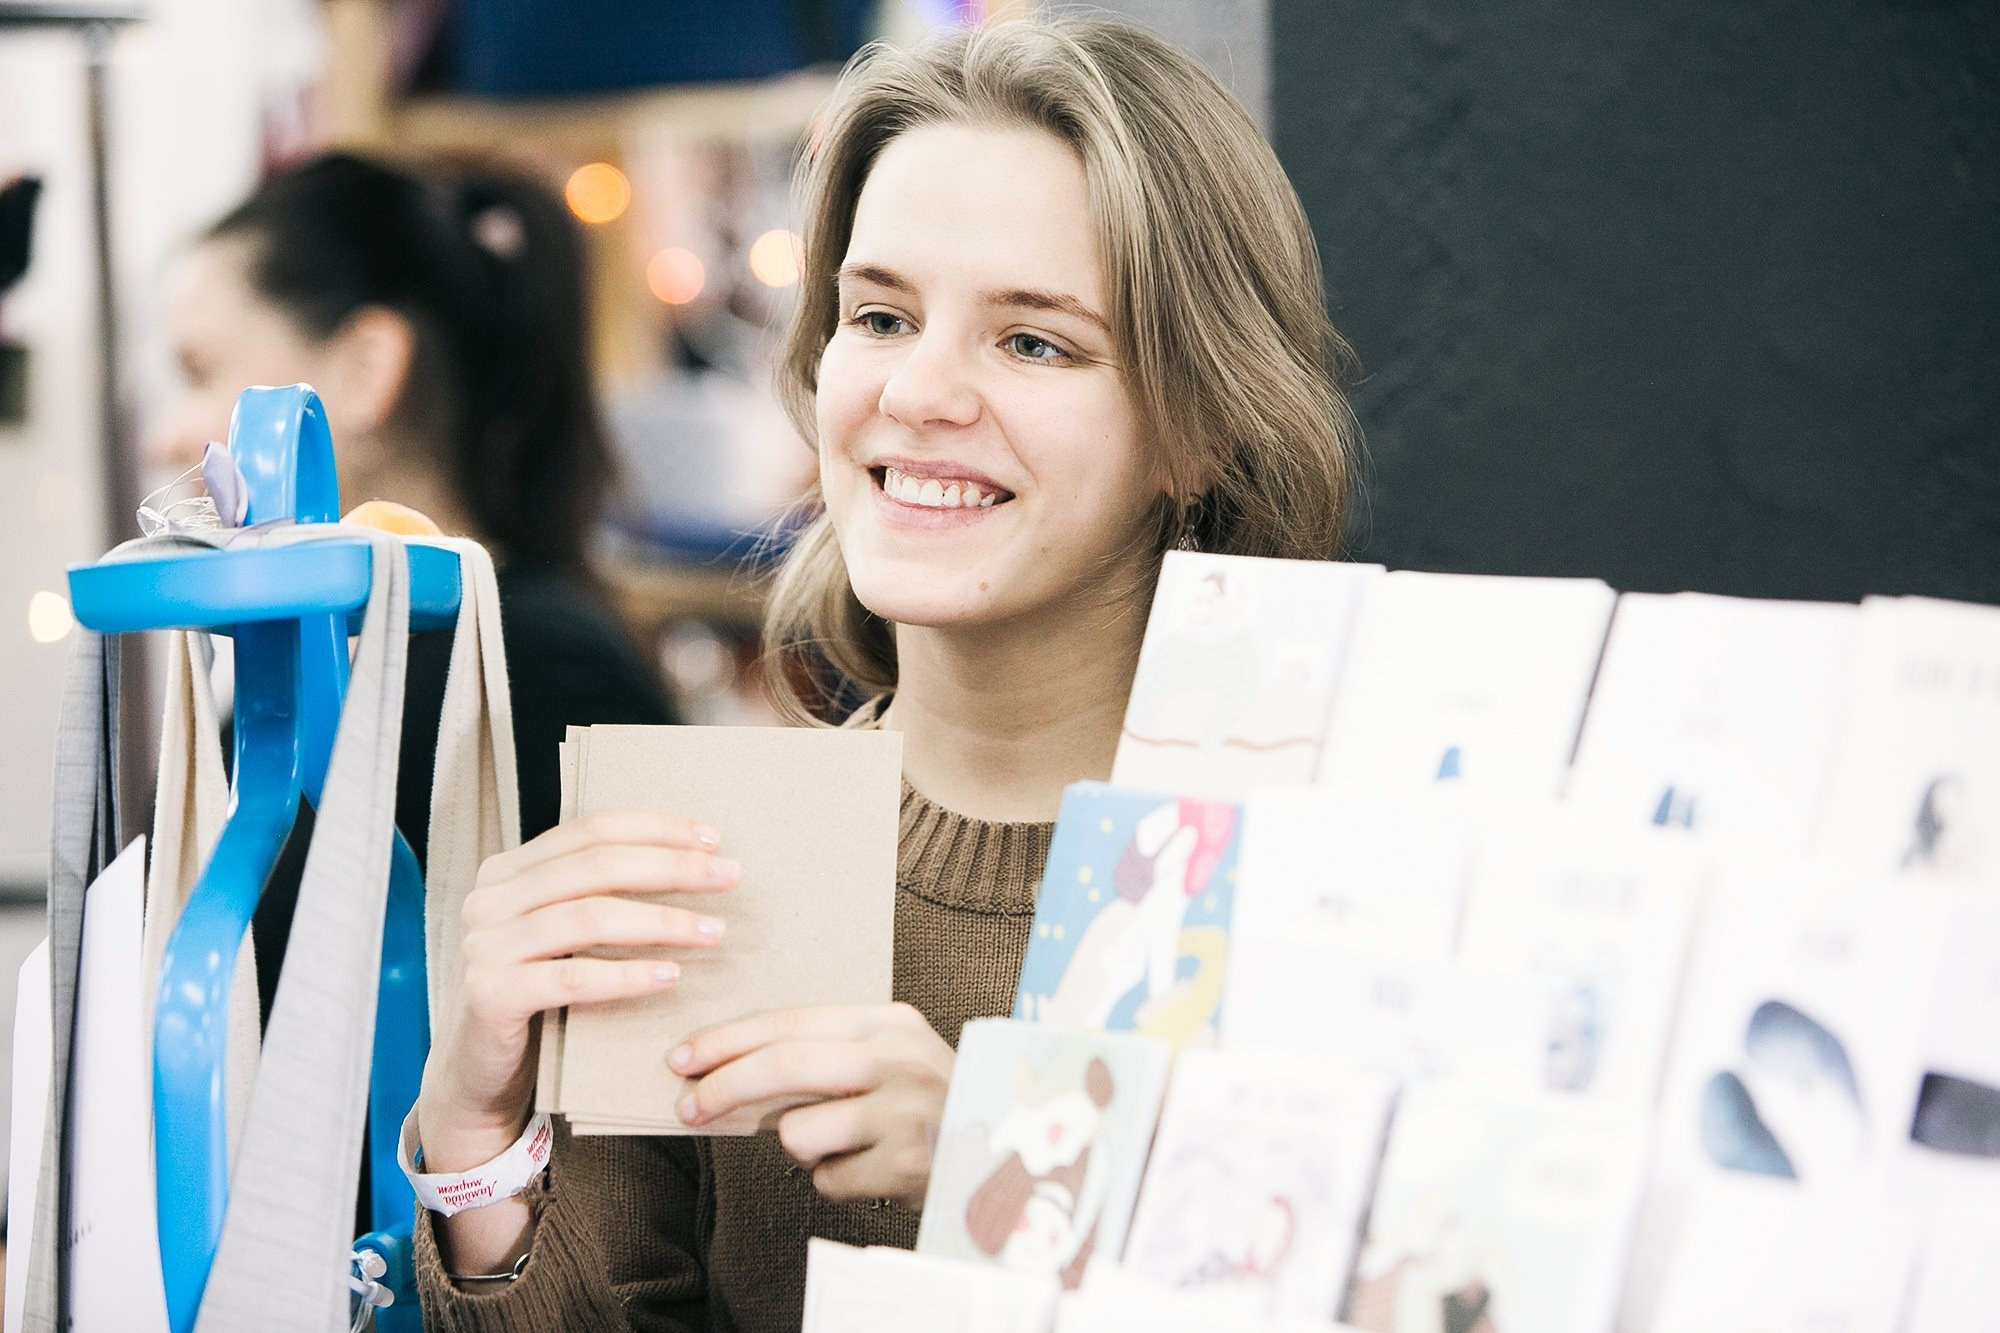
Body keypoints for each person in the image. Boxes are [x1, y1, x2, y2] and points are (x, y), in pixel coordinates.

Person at [410, 15, 1358, 1329]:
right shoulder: (711, 860)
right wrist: (477, 1139)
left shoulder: (1337, 875)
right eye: (880, 314)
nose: (915, 391)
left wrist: (1008, 1169)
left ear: (1198, 425)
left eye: (1034, 340)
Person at [151, 153, 678, 917]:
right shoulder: (319, 661)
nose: (168, 435)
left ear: (368, 368)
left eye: (200, 371)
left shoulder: (536, 677)